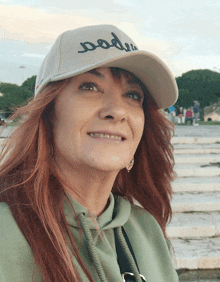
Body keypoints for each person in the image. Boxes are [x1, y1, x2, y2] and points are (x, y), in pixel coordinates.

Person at [0, 25, 179, 282]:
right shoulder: (5, 232)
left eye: (132, 94)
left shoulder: (147, 230)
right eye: (89, 87)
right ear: (48, 113)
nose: (116, 110)